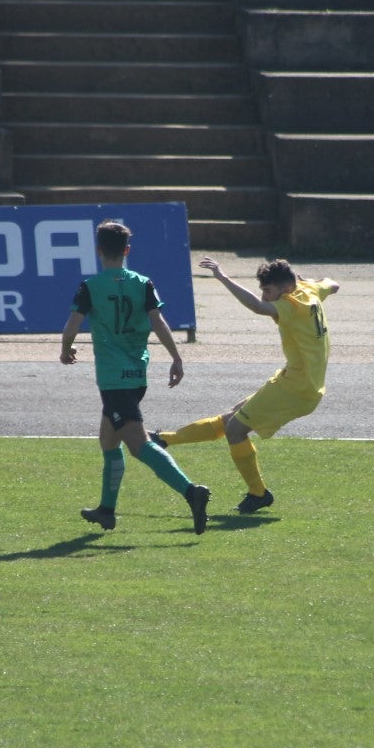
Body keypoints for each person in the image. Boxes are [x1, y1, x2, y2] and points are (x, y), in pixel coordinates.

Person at [152, 256, 339, 513]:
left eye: (267, 290)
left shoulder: (291, 304)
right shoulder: (307, 290)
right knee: (231, 419)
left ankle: (258, 493)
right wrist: (313, 282)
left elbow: (256, 308)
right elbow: (333, 284)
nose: (263, 296)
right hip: (294, 381)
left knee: (236, 430)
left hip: (297, 389)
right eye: (262, 289)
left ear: (285, 290)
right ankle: (164, 440)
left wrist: (222, 276)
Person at [60, 220, 211, 535]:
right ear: (126, 250)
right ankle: (106, 510)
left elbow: (72, 325)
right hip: (137, 375)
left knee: (138, 445)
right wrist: (176, 356)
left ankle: (190, 492)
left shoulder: (90, 286)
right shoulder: (143, 283)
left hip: (114, 380)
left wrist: (66, 349)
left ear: (99, 251)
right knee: (108, 440)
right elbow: (158, 321)